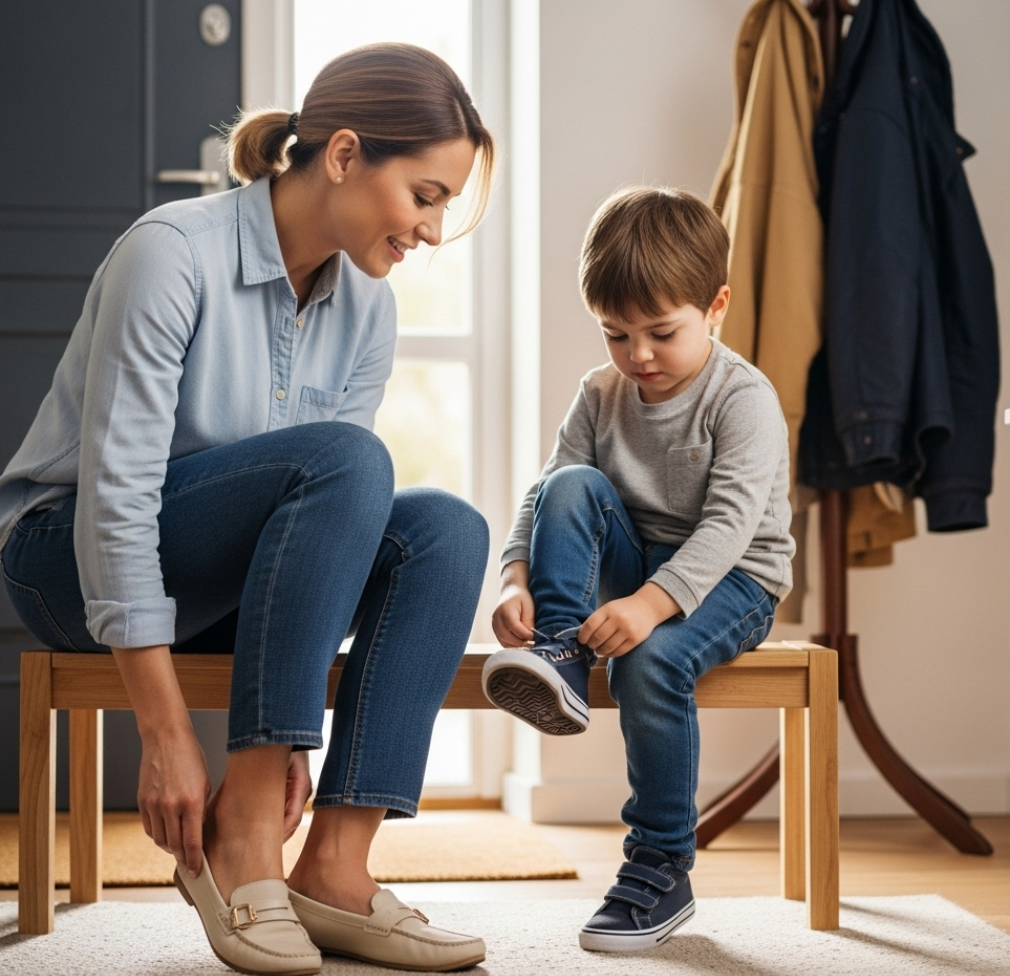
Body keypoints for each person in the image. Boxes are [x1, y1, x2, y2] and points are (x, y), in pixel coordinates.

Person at [0, 43, 494, 976]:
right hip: (67, 558)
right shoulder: (171, 254)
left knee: (447, 532)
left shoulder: (368, 310)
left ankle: (337, 867)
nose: (432, 231)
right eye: (425, 196)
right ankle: (245, 838)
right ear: (344, 155)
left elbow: (329, 528)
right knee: (350, 457)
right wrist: (166, 734)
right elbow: (119, 496)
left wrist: (289, 712)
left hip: (227, 586)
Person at [482, 186, 794, 952]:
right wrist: (515, 577)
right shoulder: (602, 392)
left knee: (649, 665)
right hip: (639, 569)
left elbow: (730, 528)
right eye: (617, 334)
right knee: (571, 485)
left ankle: (660, 864)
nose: (639, 355)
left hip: (735, 579)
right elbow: (547, 490)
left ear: (716, 307)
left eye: (661, 332)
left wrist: (652, 605)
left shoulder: (743, 398)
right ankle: (557, 648)